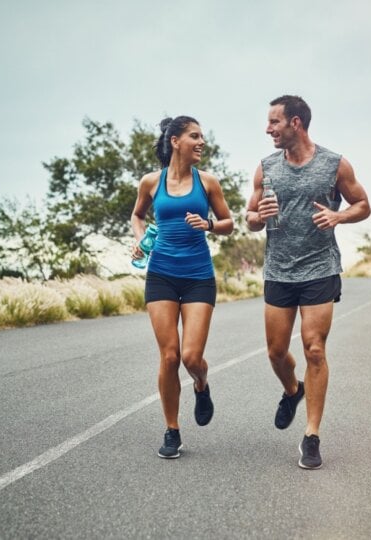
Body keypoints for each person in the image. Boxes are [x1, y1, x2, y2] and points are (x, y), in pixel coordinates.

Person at [246, 95, 371, 469]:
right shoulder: (266, 167)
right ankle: (292, 389)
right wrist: (256, 216)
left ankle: (312, 436)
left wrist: (338, 217)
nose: (268, 129)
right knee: (275, 352)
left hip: (319, 267)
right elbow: (250, 217)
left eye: (274, 122)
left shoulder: (334, 164)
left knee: (314, 348)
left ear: (296, 123)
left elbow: (363, 204)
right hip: (279, 270)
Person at [131, 116, 234, 459]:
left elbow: (228, 223)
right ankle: (172, 430)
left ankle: (201, 384)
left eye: (202, 136)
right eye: (195, 136)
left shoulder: (207, 183)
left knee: (191, 356)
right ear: (176, 141)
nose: (202, 142)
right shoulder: (150, 181)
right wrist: (140, 242)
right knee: (170, 355)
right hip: (160, 273)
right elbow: (138, 216)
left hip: (198, 276)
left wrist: (207, 224)